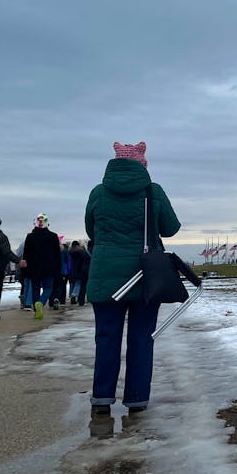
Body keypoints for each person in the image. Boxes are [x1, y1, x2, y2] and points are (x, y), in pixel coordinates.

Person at [85, 141, 180, 416]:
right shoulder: (153, 192)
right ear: (143, 165)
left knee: (106, 338)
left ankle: (102, 397)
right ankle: (137, 399)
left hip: (105, 274)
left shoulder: (98, 192)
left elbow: (91, 229)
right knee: (141, 338)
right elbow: (171, 228)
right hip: (145, 276)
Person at [22, 214, 61, 319]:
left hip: (34, 268)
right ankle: (41, 302)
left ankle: (36, 310)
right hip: (49, 267)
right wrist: (58, 268)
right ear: (47, 223)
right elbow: (57, 254)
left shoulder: (30, 236)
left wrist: (25, 269)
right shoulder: (53, 236)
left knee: (35, 288)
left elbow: (26, 253)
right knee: (48, 288)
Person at [68, 240, 91, 305]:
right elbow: (88, 260)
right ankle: (80, 300)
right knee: (82, 286)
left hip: (73, 271)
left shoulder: (69, 252)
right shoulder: (83, 252)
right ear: (78, 245)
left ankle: (73, 296)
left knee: (74, 284)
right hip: (83, 271)